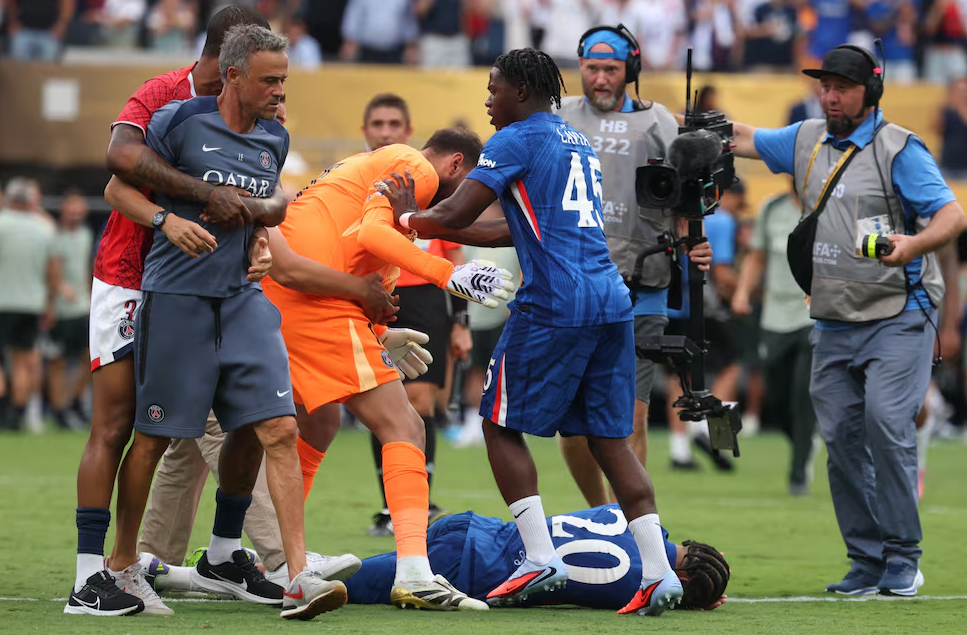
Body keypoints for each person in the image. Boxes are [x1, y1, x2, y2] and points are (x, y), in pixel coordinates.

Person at [379, 47, 685, 616]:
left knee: (497, 422)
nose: (488, 100)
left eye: (493, 88)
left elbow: (455, 217)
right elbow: (510, 228)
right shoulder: (575, 140)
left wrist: (407, 216)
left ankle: (540, 556)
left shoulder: (513, 139)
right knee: (610, 439)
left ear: (520, 90)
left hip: (556, 301)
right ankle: (660, 572)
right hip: (611, 299)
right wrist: (434, 220)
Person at [107, 24, 345, 622]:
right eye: (269, 81)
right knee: (155, 439)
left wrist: (263, 222)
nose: (279, 92)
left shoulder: (275, 138)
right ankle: (123, 564)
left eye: (284, 81)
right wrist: (167, 220)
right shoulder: (181, 121)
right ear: (233, 75)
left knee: (278, 429)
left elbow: (271, 204)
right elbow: (117, 186)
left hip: (243, 300)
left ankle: (296, 576)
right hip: (177, 298)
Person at [726, 44, 967, 596]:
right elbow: (742, 137)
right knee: (839, 439)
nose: (831, 96)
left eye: (843, 87)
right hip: (833, 317)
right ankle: (866, 560)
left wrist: (913, 245)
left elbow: (952, 214)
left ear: (871, 91)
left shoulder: (898, 148)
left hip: (898, 312)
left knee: (886, 422)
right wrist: (677, 125)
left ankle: (903, 558)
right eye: (824, 85)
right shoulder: (806, 138)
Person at [67, 6, 285, 618]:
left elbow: (257, 189)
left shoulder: (259, 114)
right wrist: (183, 210)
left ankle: (218, 554)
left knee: (241, 417)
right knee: (120, 425)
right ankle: (94, 576)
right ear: (227, 61)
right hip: (130, 276)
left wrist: (259, 238)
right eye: (266, 78)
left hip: (207, 290)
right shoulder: (166, 94)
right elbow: (119, 167)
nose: (276, 92)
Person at [261, 128, 513, 611]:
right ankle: (416, 574)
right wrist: (450, 275)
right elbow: (373, 235)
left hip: (293, 298)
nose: (467, 204)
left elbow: (354, 247)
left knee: (317, 421)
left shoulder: (390, 191)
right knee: (405, 425)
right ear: (456, 165)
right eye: (472, 189)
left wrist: (378, 338)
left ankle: (266, 556)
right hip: (314, 301)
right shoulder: (413, 167)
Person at [552, 25, 712, 504]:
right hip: (572, 284)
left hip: (644, 282)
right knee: (573, 429)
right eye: (592, 68)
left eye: (611, 69)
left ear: (631, 70)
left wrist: (694, 240)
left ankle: (632, 529)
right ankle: (603, 515)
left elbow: (691, 194)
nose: (600, 79)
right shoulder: (558, 116)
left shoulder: (659, 121)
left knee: (629, 418)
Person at [143, 504, 729, 613]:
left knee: (329, 578)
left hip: (471, 527)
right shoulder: (641, 586)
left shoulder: (626, 520)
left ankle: (190, 570)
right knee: (316, 587)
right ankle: (211, 571)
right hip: (469, 571)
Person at [357, 93, 466, 537]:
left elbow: (453, 251)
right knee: (378, 399)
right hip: (369, 294)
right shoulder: (354, 177)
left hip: (423, 295)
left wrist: (460, 321)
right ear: (365, 131)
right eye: (377, 123)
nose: (385, 131)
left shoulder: (429, 183)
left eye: (393, 124)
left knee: (421, 402)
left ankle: (421, 497)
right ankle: (389, 504)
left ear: (408, 132)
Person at [732, 179, 817, 496]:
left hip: (814, 313)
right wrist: (742, 292)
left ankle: (798, 472)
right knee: (777, 396)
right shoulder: (772, 208)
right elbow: (757, 256)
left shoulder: (828, 208)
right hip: (775, 315)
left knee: (801, 392)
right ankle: (803, 441)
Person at [0, 178, 60, 432]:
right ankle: (16, 415)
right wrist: (49, 304)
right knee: (24, 361)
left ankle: (4, 409)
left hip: (2, 302)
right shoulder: (45, 228)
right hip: (32, 304)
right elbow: (54, 271)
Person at [48, 190, 94, 431]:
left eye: (79, 208)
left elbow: (87, 269)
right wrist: (57, 293)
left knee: (90, 358)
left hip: (83, 308)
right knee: (59, 361)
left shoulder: (86, 235)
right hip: (61, 310)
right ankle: (59, 410)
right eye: (71, 208)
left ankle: (75, 401)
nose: (75, 213)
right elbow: (49, 272)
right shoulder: (55, 236)